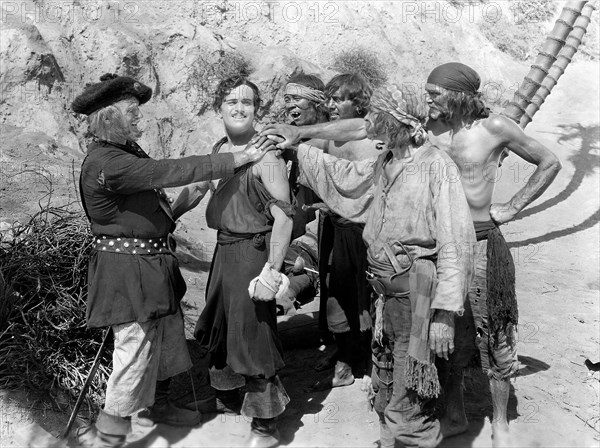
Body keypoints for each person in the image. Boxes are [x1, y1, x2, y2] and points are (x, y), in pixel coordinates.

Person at [261, 62, 562, 447]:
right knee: (443, 347)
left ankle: (499, 421)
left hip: (477, 245)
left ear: (456, 96)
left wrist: (512, 207)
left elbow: (548, 162)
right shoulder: (421, 135)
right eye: (428, 95)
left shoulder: (489, 131)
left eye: (436, 94)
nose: (430, 99)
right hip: (424, 259)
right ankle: (451, 414)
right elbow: (361, 131)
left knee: (491, 338)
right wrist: (299, 135)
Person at [73, 73, 276, 448]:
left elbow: (159, 202)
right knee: (133, 352)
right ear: (108, 117)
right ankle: (109, 435)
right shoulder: (108, 163)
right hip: (127, 273)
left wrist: (177, 211)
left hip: (151, 267)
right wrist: (237, 158)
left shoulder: (124, 152)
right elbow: (166, 172)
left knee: (167, 342)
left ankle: (159, 408)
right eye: (131, 112)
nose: (139, 119)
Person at [282, 83, 475, 447]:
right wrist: (298, 149)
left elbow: (457, 243)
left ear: (396, 121)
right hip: (385, 300)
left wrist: (446, 315)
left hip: (417, 298)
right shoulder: (386, 160)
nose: (369, 122)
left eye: (376, 116)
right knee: (387, 392)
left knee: (409, 401)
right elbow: (346, 178)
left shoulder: (436, 166)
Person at [183, 76, 294, 448]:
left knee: (252, 331)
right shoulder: (220, 149)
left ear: (256, 110)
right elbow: (199, 187)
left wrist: (272, 271)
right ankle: (227, 397)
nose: (239, 107)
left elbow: (285, 217)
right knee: (219, 322)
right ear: (219, 108)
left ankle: (266, 421)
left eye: (247, 102)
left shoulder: (269, 158)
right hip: (224, 251)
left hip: (253, 251)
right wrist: (167, 215)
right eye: (231, 101)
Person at [311, 73, 381, 389]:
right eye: (330, 99)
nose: (332, 105)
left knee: (373, 297)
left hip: (369, 233)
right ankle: (344, 360)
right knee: (338, 295)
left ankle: (378, 365)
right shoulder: (329, 138)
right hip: (339, 230)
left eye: (339, 99)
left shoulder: (373, 137)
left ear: (358, 101)